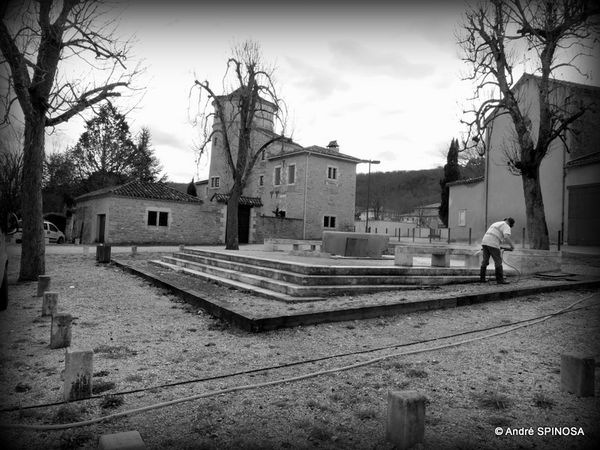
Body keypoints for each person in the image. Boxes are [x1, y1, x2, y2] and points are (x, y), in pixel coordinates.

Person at [480, 217, 515, 284]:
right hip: (493, 243)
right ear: (510, 223)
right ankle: (500, 280)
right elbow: (506, 237)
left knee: (485, 261)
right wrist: (512, 246)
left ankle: (482, 279)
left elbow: (495, 235)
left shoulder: (496, 223)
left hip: (484, 242)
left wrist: (498, 246)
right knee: (498, 261)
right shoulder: (506, 226)